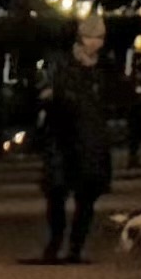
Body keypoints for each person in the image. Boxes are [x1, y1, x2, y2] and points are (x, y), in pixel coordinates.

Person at [28, 15, 118, 263]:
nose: (94, 43)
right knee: (57, 193)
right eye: (89, 37)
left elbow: (114, 97)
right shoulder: (63, 65)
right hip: (62, 137)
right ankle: (54, 243)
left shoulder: (104, 68)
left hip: (91, 139)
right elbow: (47, 93)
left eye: (99, 38)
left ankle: (76, 247)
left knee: (86, 196)